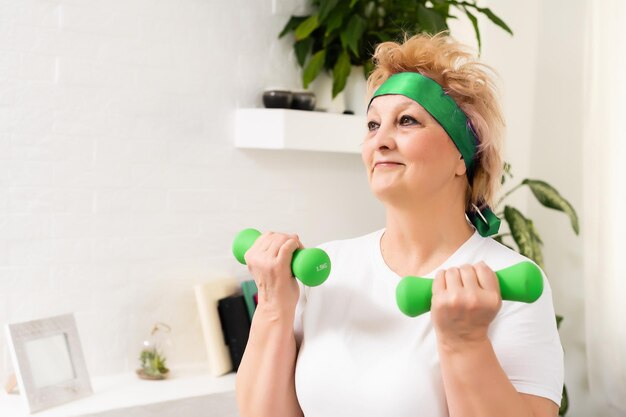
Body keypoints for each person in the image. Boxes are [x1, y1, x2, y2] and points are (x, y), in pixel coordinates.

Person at [236, 33, 564, 417]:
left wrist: (466, 342)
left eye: (406, 121)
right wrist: (274, 305)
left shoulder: (510, 282)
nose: (380, 141)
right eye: (373, 126)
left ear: (463, 156)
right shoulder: (326, 267)